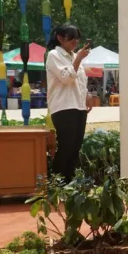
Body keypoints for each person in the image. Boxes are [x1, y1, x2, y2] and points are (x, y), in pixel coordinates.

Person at [46, 23, 93, 182]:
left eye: (77, 38)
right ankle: (57, 184)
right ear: (60, 38)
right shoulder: (54, 55)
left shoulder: (74, 56)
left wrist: (87, 95)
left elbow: (80, 80)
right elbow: (66, 78)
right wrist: (79, 58)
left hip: (78, 106)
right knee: (66, 146)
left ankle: (70, 183)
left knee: (75, 147)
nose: (75, 42)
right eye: (71, 38)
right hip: (63, 106)